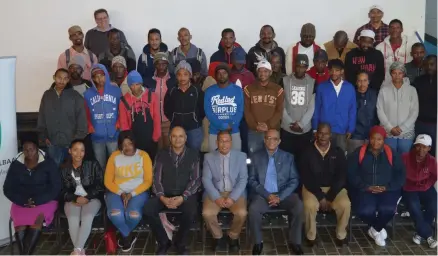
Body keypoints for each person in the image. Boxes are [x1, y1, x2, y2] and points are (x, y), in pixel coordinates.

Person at [143, 126, 201, 255]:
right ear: (170, 138)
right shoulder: (161, 154)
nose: (177, 139)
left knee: (191, 211)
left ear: (186, 139)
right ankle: (164, 241)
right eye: (174, 136)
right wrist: (162, 197)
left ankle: (180, 242)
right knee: (148, 208)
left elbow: (196, 180)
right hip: (165, 194)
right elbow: (156, 179)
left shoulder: (193, 155)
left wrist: (183, 197)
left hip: (185, 195)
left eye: (181, 136)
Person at [3, 132, 61, 255]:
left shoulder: (48, 163)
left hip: (45, 200)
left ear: (37, 148)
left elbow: (56, 187)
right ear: (22, 150)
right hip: (21, 202)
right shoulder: (16, 164)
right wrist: (23, 201)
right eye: (26, 150)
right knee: (20, 225)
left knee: (37, 221)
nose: (29, 153)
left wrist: (38, 201)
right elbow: (7, 188)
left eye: (32, 149)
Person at [348, 126, 406, 246]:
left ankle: (374, 229)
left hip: (386, 190)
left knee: (389, 209)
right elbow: (351, 174)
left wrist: (387, 187)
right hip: (365, 190)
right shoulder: (359, 152)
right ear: (369, 138)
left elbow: (401, 174)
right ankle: (378, 228)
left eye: (379, 139)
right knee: (364, 211)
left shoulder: (391, 154)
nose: (376, 142)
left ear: (384, 140)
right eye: (373, 138)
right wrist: (365, 187)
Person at [248, 129, 303, 255]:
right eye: (268, 138)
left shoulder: (288, 157)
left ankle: (295, 242)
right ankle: (258, 242)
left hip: (283, 194)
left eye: (274, 139)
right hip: (263, 195)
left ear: (279, 141)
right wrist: (267, 195)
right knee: (253, 209)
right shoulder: (256, 156)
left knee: (298, 206)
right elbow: (251, 180)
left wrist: (280, 197)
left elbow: (294, 180)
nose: (271, 141)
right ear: (264, 140)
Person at [300, 123, 350, 246]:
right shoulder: (307, 152)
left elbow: (341, 177)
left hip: (334, 189)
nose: (323, 136)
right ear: (316, 134)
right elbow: (306, 177)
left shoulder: (338, 152)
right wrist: (320, 196)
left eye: (326, 133)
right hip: (312, 188)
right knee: (310, 205)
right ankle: (311, 236)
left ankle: (341, 234)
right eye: (320, 133)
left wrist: (330, 197)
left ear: (330, 135)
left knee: (345, 204)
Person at [104, 131, 152, 252]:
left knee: (133, 215)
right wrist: (122, 193)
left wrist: (131, 194)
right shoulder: (114, 156)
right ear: (120, 145)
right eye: (124, 145)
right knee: (115, 214)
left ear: (134, 143)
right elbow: (107, 181)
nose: (127, 147)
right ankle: (127, 237)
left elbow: (148, 181)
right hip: (116, 191)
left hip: (138, 192)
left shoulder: (143, 156)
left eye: (130, 144)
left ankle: (124, 234)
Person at [202, 131, 248, 253]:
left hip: (235, 193)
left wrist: (232, 198)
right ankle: (218, 237)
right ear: (217, 142)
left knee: (242, 213)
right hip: (216, 192)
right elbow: (206, 179)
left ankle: (233, 236)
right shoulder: (209, 157)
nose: (224, 144)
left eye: (227, 141)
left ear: (231, 142)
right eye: (221, 141)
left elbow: (243, 179)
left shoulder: (241, 156)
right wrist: (217, 197)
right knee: (207, 213)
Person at [60, 139, 104, 255]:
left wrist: (87, 197)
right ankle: (79, 251)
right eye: (75, 150)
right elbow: (61, 190)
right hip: (72, 199)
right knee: (73, 218)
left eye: (82, 150)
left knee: (87, 216)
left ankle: (77, 250)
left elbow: (100, 185)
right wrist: (74, 198)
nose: (79, 154)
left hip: (92, 198)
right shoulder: (64, 168)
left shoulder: (93, 164)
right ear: (69, 151)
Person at [37, 68, 87, 166]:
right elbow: (42, 116)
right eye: (59, 78)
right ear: (54, 78)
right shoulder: (47, 95)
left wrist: (76, 140)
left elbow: (82, 119)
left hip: (71, 144)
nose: (62, 81)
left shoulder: (75, 96)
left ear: (68, 80)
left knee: (69, 173)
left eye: (65, 78)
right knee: (54, 172)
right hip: (52, 143)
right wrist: (43, 136)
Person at [312, 59, 356, 152]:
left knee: (340, 157)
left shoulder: (349, 88)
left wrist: (350, 128)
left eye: (337, 70)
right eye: (331, 70)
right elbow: (316, 109)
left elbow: (352, 110)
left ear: (342, 71)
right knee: (323, 155)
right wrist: (315, 128)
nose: (333, 73)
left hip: (342, 129)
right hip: (324, 131)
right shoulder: (321, 87)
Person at [402, 134, 437, 248]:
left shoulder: (432, 161)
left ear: (429, 148)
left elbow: (434, 176)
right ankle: (428, 236)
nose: (421, 149)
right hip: (409, 188)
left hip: (425, 187)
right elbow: (399, 174)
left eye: (424, 147)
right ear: (415, 146)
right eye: (418, 146)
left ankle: (419, 234)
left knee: (433, 205)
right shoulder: (405, 157)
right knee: (414, 206)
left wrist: (427, 185)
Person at [84, 64, 122, 169]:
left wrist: (119, 122)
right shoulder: (87, 94)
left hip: (113, 134)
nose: (99, 78)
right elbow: (86, 112)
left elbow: (122, 109)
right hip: (97, 135)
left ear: (106, 75)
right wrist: (90, 125)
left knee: (116, 163)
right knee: (100, 164)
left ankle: (114, 184)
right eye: (95, 76)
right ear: (92, 79)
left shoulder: (116, 91)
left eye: (101, 75)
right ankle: (101, 184)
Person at [377, 62, 419, 154]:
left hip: (406, 133)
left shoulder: (412, 90)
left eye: (400, 73)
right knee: (389, 160)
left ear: (404, 74)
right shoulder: (384, 90)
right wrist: (390, 127)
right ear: (390, 73)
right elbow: (380, 110)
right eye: (394, 73)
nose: (397, 76)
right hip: (388, 133)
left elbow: (414, 112)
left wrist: (402, 128)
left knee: (404, 162)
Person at [244, 61, 284, 156]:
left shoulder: (278, 90)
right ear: (257, 72)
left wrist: (268, 125)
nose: (262, 74)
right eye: (260, 71)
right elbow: (247, 110)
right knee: (253, 159)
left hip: (272, 130)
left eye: (265, 71)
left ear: (270, 72)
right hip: (254, 131)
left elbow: (279, 111)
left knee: (272, 159)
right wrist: (255, 125)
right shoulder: (249, 89)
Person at [119, 71, 161, 161]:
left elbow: (157, 118)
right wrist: (129, 143)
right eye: (132, 85)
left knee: (151, 162)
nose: (135, 88)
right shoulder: (124, 101)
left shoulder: (152, 96)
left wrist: (156, 137)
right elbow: (124, 123)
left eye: (137, 84)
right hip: (134, 140)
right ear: (129, 86)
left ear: (141, 83)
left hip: (151, 139)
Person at [164, 60, 205, 151]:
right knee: (175, 152)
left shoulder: (197, 90)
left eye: (185, 74)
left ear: (190, 75)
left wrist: (195, 119)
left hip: (194, 128)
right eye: (179, 74)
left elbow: (203, 109)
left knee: (194, 153)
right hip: (176, 127)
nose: (182, 77)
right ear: (176, 76)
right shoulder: (172, 90)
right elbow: (167, 108)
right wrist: (174, 118)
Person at [280, 54, 315, 158]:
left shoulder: (312, 82)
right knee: (286, 159)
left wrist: (301, 124)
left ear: (307, 67)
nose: (300, 69)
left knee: (303, 161)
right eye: (298, 66)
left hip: (304, 130)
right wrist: (291, 123)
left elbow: (311, 107)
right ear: (294, 65)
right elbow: (281, 105)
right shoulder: (284, 81)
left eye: (303, 67)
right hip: (287, 129)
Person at [205, 63, 243, 151]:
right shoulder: (209, 91)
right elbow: (208, 112)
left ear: (228, 74)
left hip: (233, 131)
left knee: (235, 159)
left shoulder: (237, 90)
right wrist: (221, 125)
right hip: (215, 131)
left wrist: (231, 125)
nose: (221, 75)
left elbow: (240, 111)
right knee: (214, 161)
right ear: (215, 75)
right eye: (219, 73)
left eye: (224, 73)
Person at [143, 52, 177, 150]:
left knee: (170, 149)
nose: (161, 66)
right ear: (155, 64)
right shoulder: (148, 81)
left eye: (164, 63)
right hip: (153, 121)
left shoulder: (174, 80)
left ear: (167, 64)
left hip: (169, 121)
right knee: (157, 150)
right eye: (159, 63)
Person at [347, 71, 378, 153]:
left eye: (364, 80)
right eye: (360, 81)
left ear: (368, 82)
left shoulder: (374, 94)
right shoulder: (351, 94)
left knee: (368, 161)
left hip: (371, 135)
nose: (362, 83)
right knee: (354, 160)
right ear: (356, 82)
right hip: (355, 135)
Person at [413, 55, 437, 156]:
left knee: (434, 153)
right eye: (427, 65)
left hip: (436, 125)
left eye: (432, 64)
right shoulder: (418, 80)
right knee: (419, 152)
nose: (429, 67)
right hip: (420, 123)